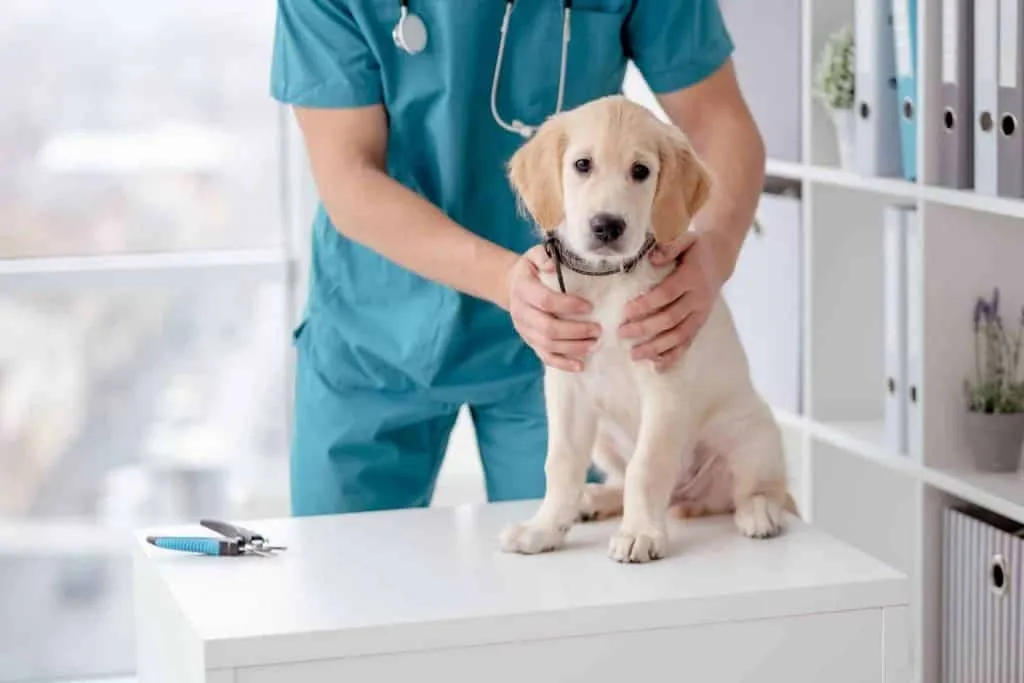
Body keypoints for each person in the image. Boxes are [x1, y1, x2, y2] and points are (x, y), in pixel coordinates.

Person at [270, 0, 766, 516]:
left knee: (582, 574)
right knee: (345, 577)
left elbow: (718, 120)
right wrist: (508, 281)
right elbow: (349, 175)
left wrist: (716, 249)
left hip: (578, 341)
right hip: (377, 330)